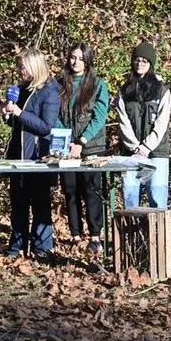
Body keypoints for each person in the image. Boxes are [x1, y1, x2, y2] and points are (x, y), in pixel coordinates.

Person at [2, 48, 61, 259]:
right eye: (18, 66)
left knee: (40, 204)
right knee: (18, 203)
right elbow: (17, 123)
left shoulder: (50, 92)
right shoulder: (21, 89)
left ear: (34, 67)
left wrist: (19, 113)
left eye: (22, 67)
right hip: (18, 155)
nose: (19, 70)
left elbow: (46, 126)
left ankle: (42, 247)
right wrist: (8, 114)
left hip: (38, 157)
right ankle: (16, 246)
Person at [57, 42, 109, 254]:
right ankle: (76, 235)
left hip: (91, 147)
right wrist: (67, 140)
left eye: (80, 58)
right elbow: (57, 116)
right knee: (70, 191)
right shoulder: (60, 84)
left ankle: (95, 236)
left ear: (87, 60)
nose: (75, 62)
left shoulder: (98, 84)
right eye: (72, 57)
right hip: (67, 148)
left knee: (92, 191)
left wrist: (82, 141)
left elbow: (99, 117)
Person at [115, 41, 171, 208]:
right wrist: (135, 148)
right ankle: (132, 234)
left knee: (157, 196)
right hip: (131, 153)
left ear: (151, 64)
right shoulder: (124, 90)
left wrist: (146, 148)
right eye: (137, 60)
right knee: (130, 197)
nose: (140, 64)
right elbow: (123, 121)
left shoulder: (162, 90)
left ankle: (158, 234)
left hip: (157, 152)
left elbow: (162, 123)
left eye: (144, 61)